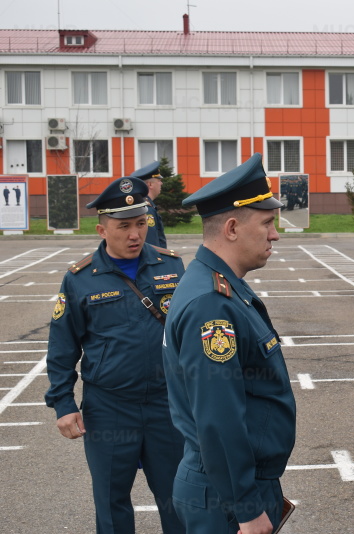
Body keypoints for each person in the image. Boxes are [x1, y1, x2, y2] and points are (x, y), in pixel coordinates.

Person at [163, 153, 296, 534]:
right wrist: (247, 508)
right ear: (233, 228)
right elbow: (218, 419)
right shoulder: (211, 305)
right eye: (268, 223)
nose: (274, 234)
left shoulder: (218, 286)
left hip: (231, 485)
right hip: (226, 497)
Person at [45, 176, 185, 534]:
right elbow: (62, 347)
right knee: (111, 504)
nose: (135, 234)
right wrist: (63, 404)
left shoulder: (172, 267)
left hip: (166, 405)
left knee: (178, 501)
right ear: (103, 230)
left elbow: (190, 336)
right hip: (109, 408)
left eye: (141, 223)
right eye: (124, 226)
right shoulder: (79, 278)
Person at [131, 161, 168, 247]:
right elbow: (151, 243)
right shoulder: (147, 208)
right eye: (159, 180)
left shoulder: (145, 204)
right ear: (150, 184)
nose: (161, 183)